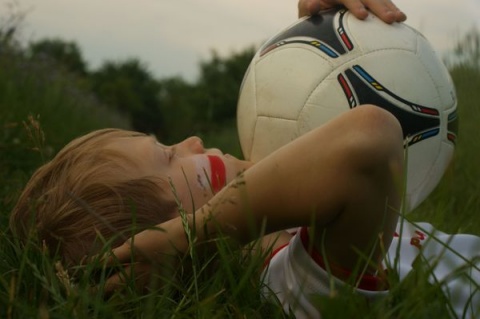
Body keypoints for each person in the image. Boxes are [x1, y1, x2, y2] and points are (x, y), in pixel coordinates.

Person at [9, 1, 479, 318]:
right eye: (168, 155)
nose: (191, 139)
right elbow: (370, 137)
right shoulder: (294, 287)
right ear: (163, 237)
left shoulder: (301, 239)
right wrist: (198, 234)